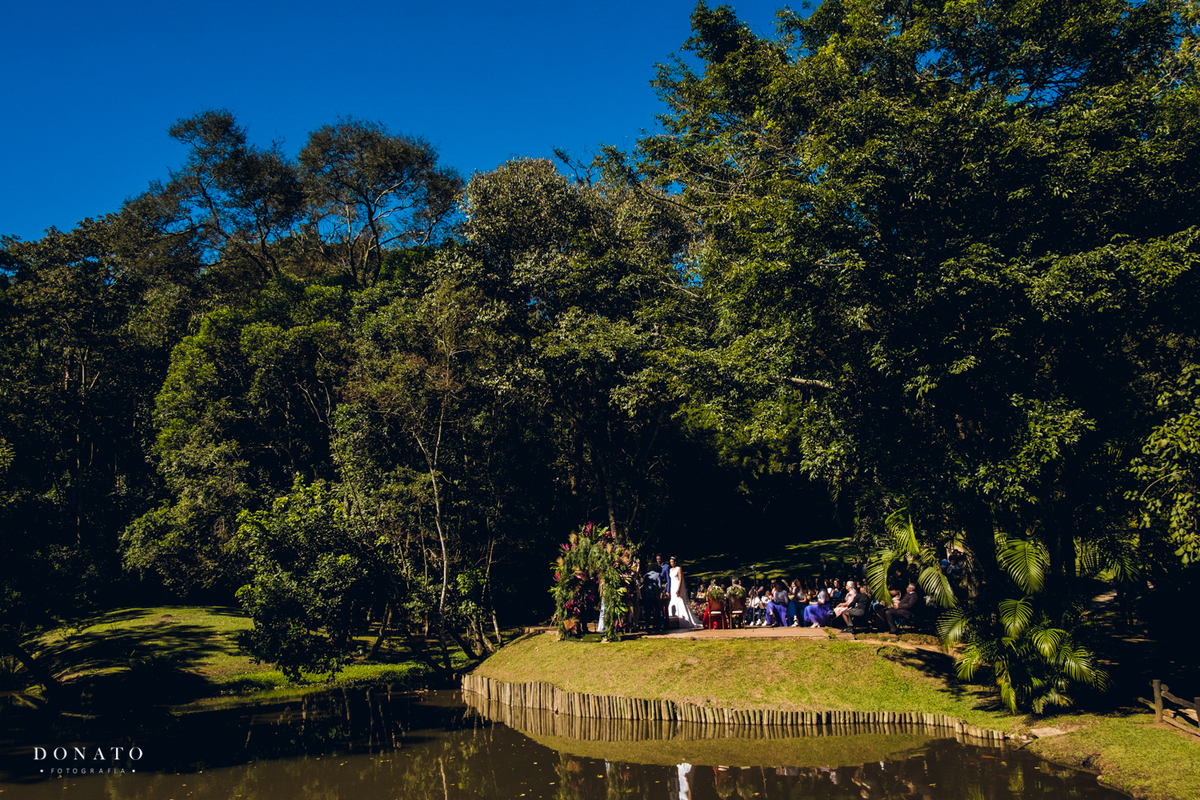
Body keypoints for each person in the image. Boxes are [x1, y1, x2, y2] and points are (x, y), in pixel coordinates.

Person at [667, 557, 702, 629]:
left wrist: (678, 588)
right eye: (670, 562)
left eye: (672, 562)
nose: (671, 563)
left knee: (679, 600)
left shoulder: (678, 569)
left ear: (675, 562)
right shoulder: (670, 570)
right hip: (672, 587)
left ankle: (684, 619)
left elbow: (680, 579)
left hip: (677, 586)